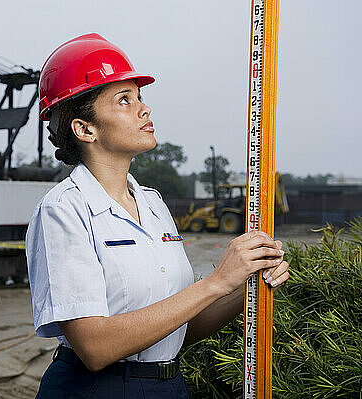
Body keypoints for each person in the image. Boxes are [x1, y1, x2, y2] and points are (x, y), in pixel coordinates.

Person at [25, 33, 289, 399]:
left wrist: (244, 283)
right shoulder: (64, 210)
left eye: (140, 97)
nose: (144, 109)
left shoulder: (153, 205)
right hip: (96, 389)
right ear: (85, 129)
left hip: (168, 385)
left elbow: (181, 328)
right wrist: (215, 282)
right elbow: (95, 347)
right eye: (124, 100)